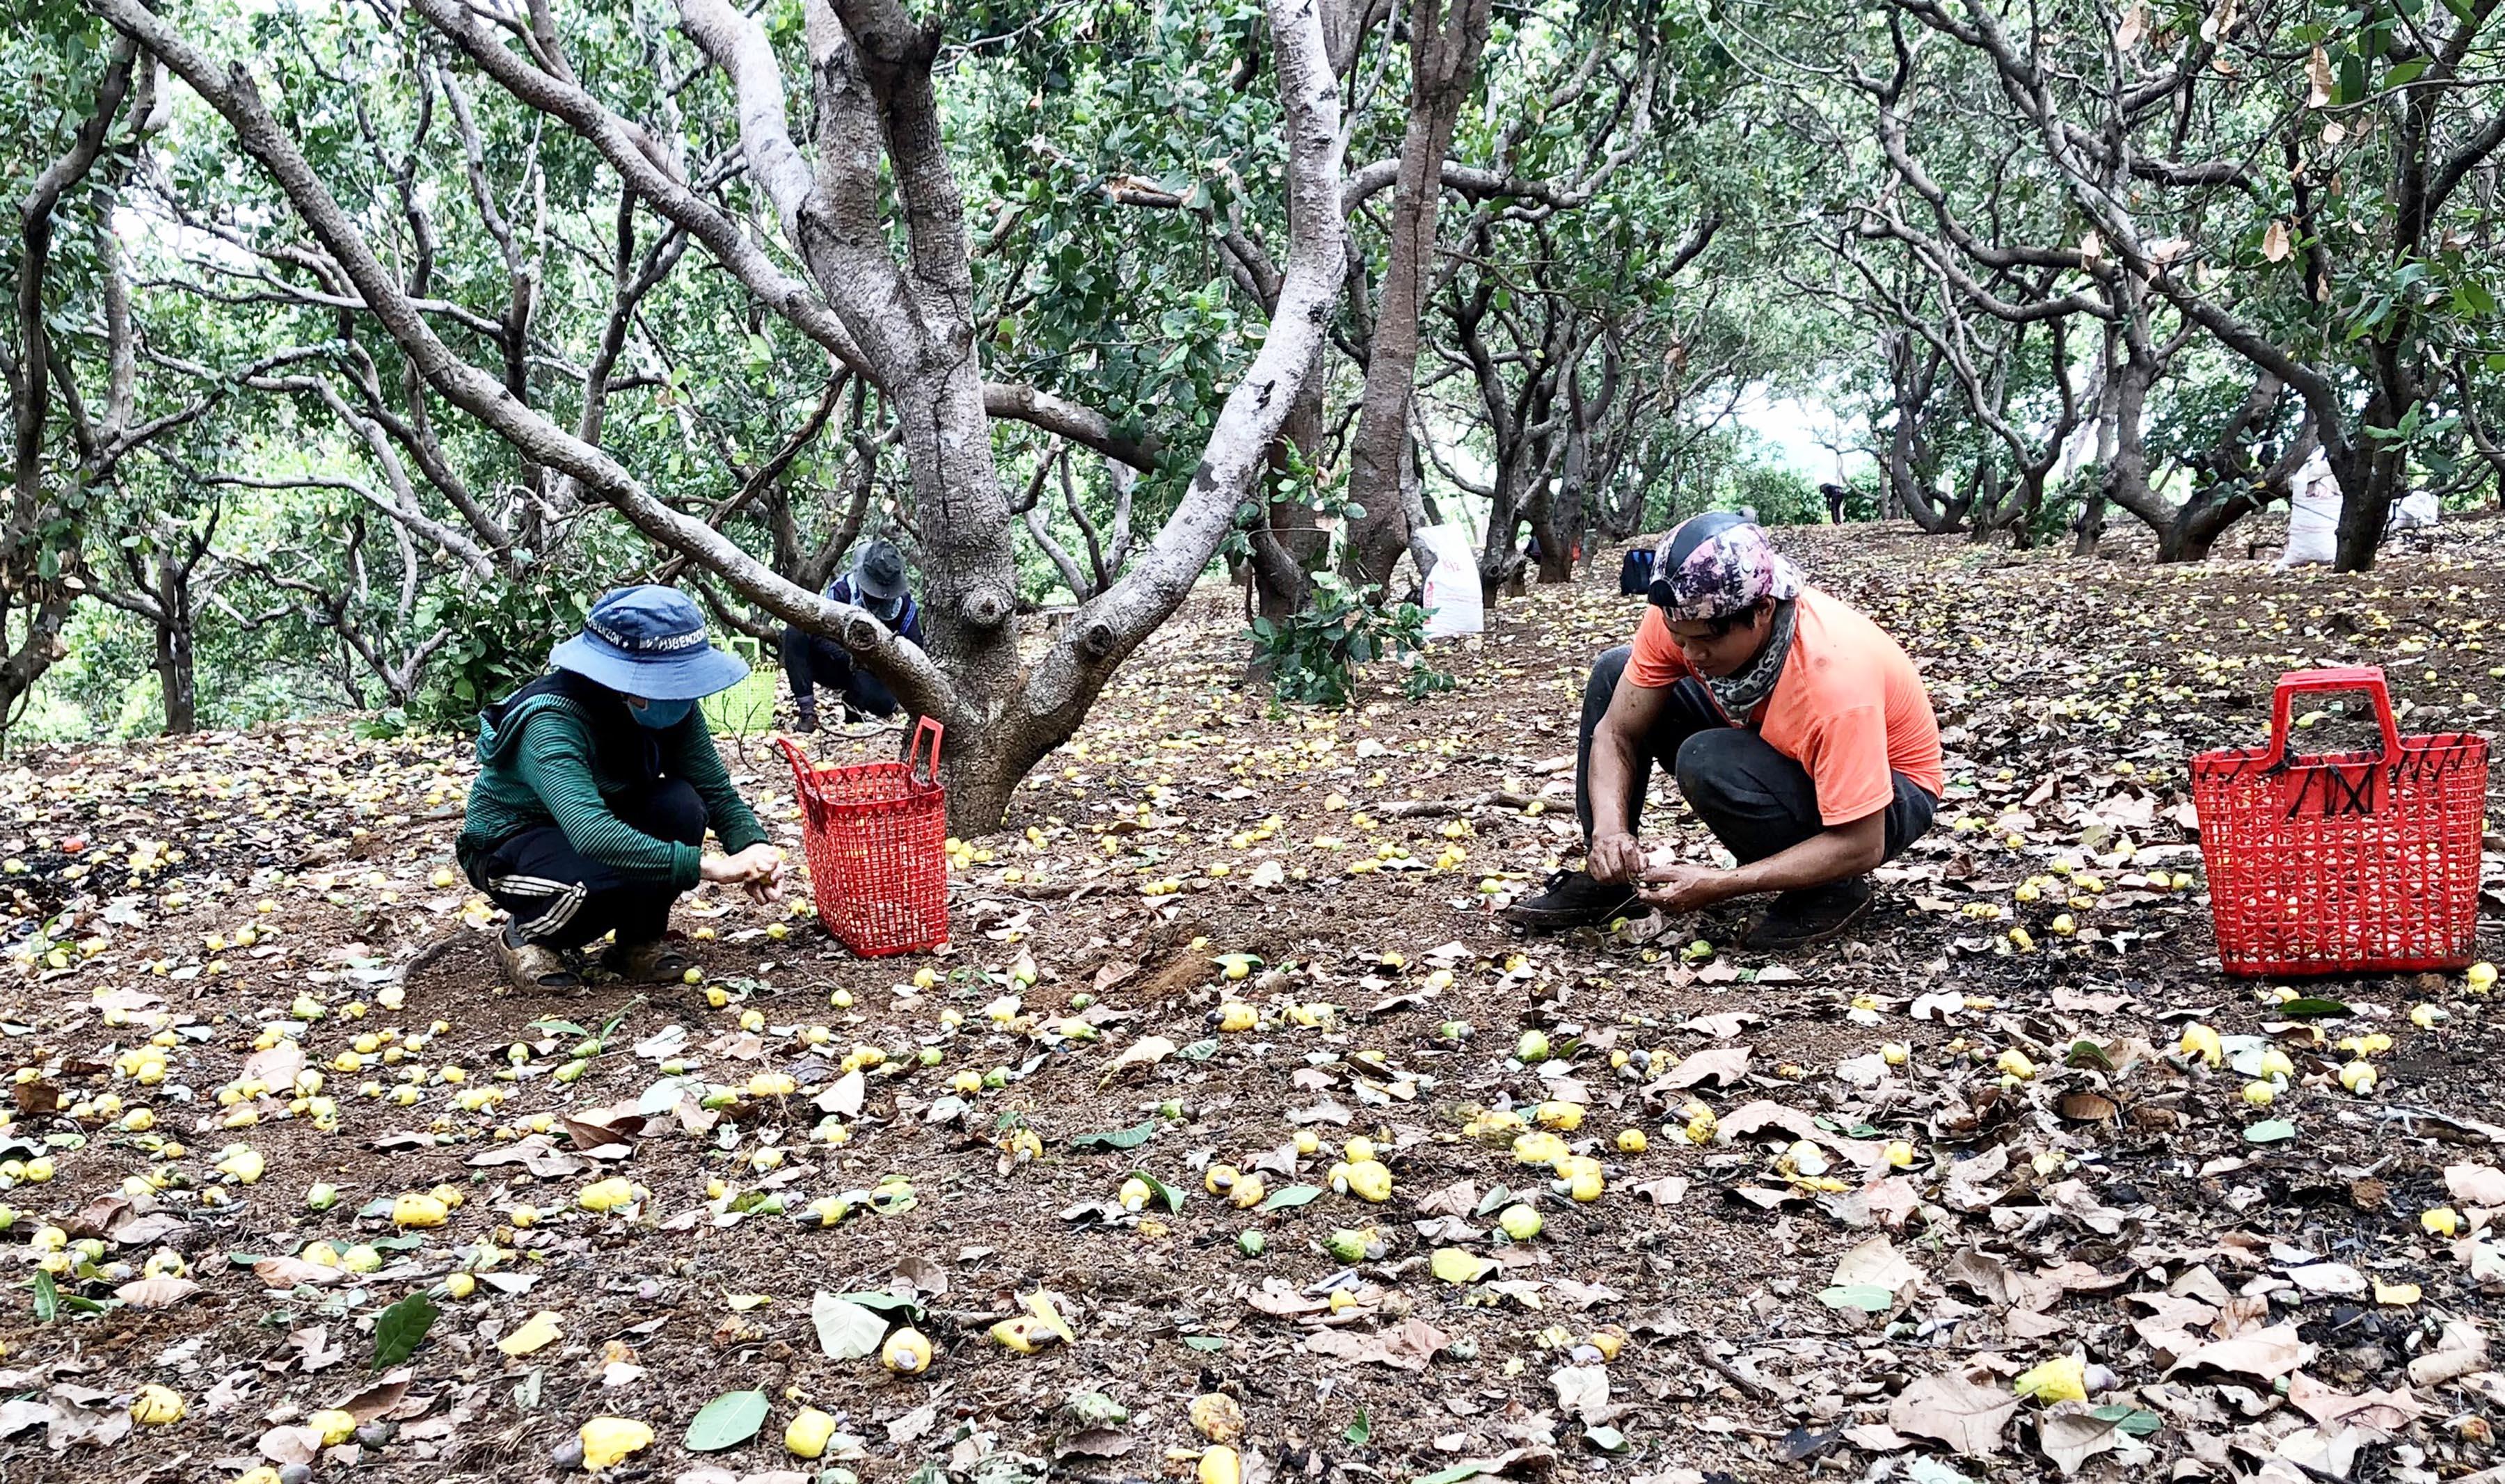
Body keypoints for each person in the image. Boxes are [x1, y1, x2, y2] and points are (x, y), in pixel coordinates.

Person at [1504, 512, 1943, 949]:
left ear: (1763, 610)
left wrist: (1724, 884)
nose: (1691, 654)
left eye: (1706, 642)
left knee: (1709, 759)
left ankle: (1831, 889)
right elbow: (1616, 732)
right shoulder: (1683, 614)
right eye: (1680, 638)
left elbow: (1863, 843)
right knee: (1614, 672)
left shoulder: (1832, 680)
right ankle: (1609, 879)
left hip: (1889, 797)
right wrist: (1609, 833)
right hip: (1782, 747)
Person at [458, 585, 787, 992]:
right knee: (599, 876)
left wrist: (754, 848)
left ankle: (638, 941)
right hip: (515, 844)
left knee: (682, 806)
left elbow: (715, 791)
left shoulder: (669, 707)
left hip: (606, 819)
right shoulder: (550, 722)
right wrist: (709, 867)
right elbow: (592, 833)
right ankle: (529, 934)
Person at [781, 539, 922, 729]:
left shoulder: (904, 606)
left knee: (884, 705)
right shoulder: (842, 591)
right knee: (795, 631)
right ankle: (807, 714)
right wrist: (852, 655)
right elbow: (822, 633)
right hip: (838, 662)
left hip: (875, 672)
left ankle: (854, 705)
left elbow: (915, 648)